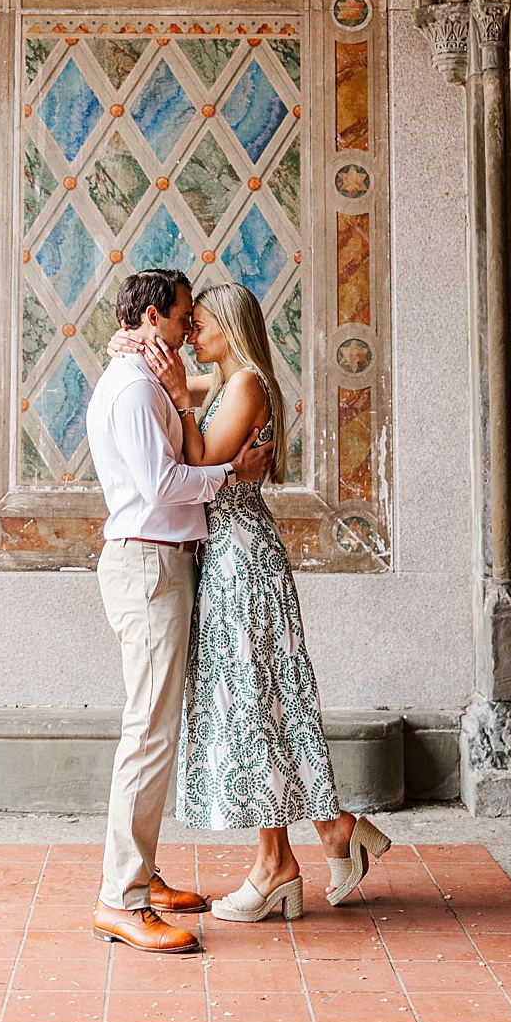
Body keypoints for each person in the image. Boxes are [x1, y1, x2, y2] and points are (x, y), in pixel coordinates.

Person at [112, 282, 390, 923]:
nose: (193, 335)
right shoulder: (231, 382)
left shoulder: (245, 386)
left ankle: (287, 860)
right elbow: (183, 412)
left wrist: (183, 399)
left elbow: (204, 459)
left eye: (203, 324)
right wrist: (131, 346)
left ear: (230, 327)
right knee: (257, 704)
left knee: (257, 702)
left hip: (241, 556)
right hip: (225, 556)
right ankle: (325, 835)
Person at [85, 268, 273, 954]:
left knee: (155, 728)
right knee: (149, 732)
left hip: (158, 564)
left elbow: (199, 399)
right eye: (184, 316)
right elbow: (163, 484)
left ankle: (143, 877)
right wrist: (231, 474)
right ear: (156, 317)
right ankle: (122, 899)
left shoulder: (142, 376)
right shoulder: (133, 388)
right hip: (147, 566)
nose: (191, 330)